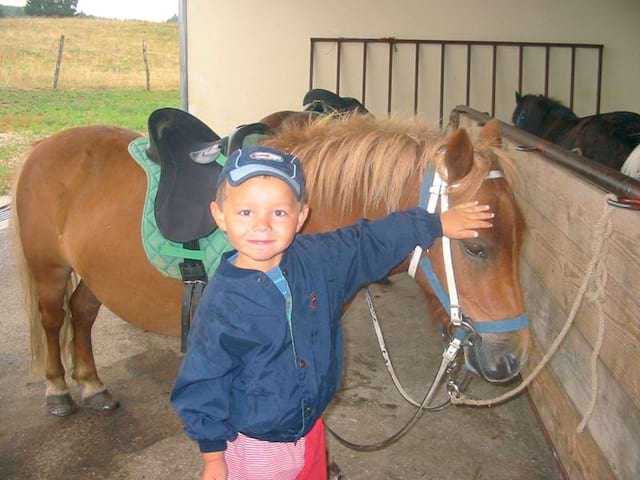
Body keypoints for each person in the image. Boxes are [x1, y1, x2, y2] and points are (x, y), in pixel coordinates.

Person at [171, 145, 494, 480]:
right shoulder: (222, 303)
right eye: (246, 213)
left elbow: (368, 240)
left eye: (279, 213)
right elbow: (202, 381)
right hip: (256, 446)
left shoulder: (319, 259)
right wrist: (213, 457)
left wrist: (435, 223)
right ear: (220, 215)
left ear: (301, 216)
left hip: (310, 428)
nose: (263, 226)